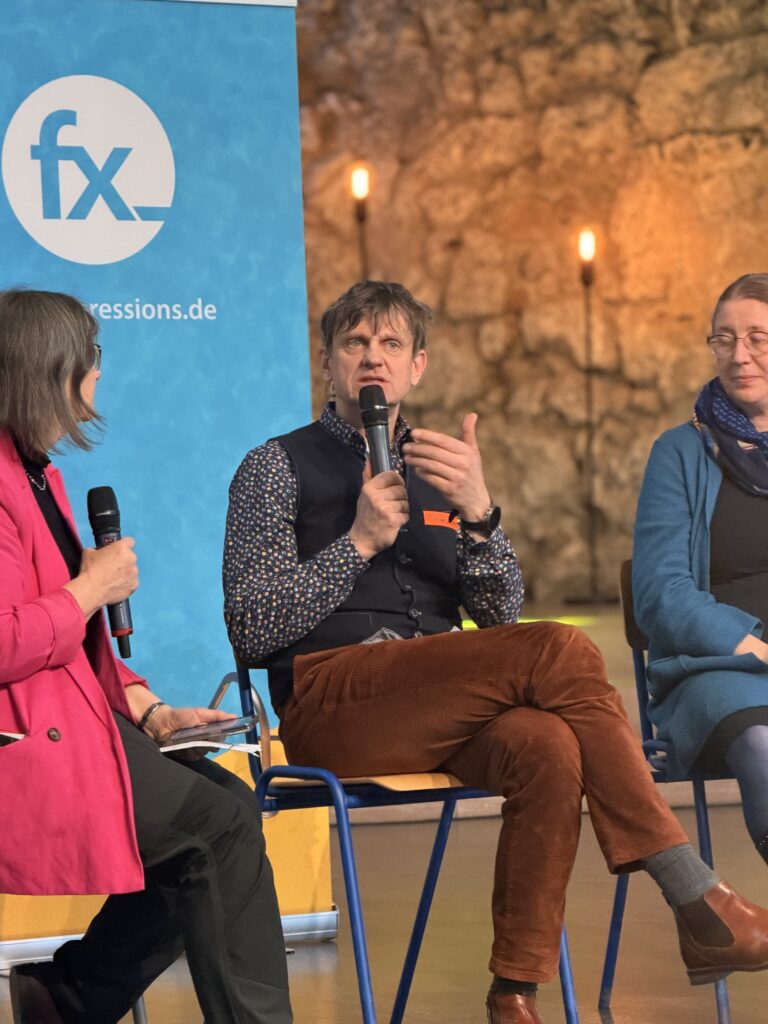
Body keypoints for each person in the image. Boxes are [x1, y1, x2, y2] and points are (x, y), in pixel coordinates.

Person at [224, 280, 768, 1024]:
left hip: (442, 701)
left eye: (390, 345)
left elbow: (500, 613)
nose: (372, 360)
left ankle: (514, 993)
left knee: (546, 745)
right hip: (332, 704)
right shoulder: (272, 468)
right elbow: (252, 627)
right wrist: (356, 542)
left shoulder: (444, 466)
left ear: (419, 366)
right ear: (328, 363)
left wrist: (480, 515)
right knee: (558, 648)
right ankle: (694, 892)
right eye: (355, 344)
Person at [0, 289, 292, 1024]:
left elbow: (80, 651)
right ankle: (74, 997)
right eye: (89, 358)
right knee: (213, 832)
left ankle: (68, 998)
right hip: (24, 738)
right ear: (48, 370)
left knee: (227, 809)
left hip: (78, 718)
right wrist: (89, 588)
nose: (99, 374)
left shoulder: (35, 473)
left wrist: (149, 707)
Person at [634, 272, 768, 866]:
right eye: (724, 339)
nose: (740, 356)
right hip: (717, 668)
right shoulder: (678, 452)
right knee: (763, 742)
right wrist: (753, 646)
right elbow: (660, 593)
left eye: (758, 339)